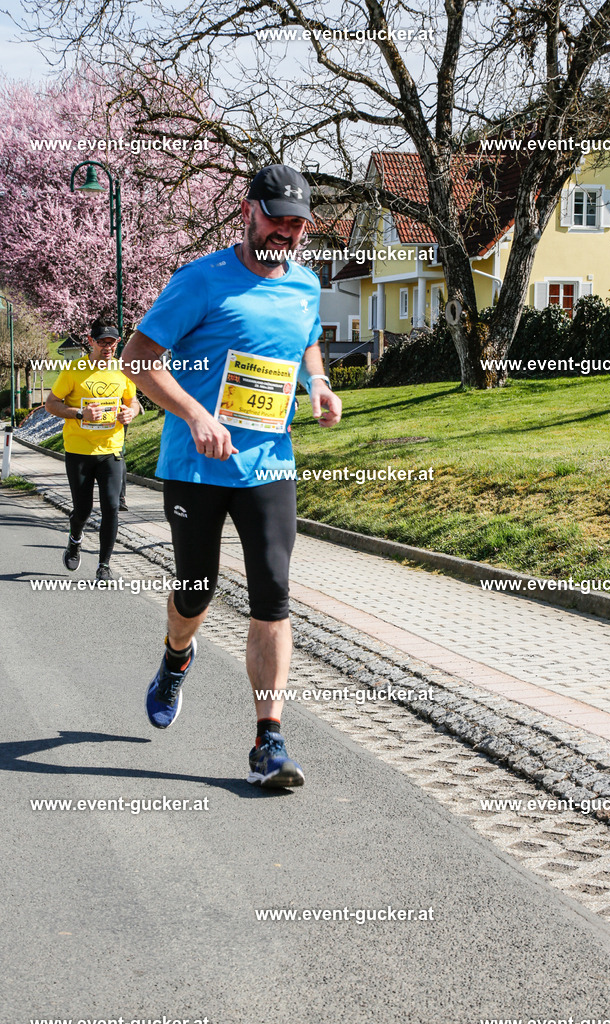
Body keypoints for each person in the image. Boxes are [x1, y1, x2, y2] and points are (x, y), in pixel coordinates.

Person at [122, 164, 342, 788]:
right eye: (276, 218)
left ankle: (268, 742)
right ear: (249, 211)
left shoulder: (305, 283)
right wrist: (193, 413)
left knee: (273, 592)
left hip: (269, 462)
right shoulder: (201, 281)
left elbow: (305, 339)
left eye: (297, 223)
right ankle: (175, 657)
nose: (287, 232)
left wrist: (318, 383)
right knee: (197, 590)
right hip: (198, 466)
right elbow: (136, 359)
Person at [46, 319, 140, 581]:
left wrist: (128, 414)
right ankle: (75, 539)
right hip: (78, 451)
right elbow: (51, 404)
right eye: (102, 342)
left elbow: (133, 404)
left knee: (111, 506)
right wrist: (78, 412)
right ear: (91, 342)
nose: (107, 347)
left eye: (112, 342)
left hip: (111, 450)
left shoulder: (123, 371)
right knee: (83, 510)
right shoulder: (74, 370)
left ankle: (104, 565)